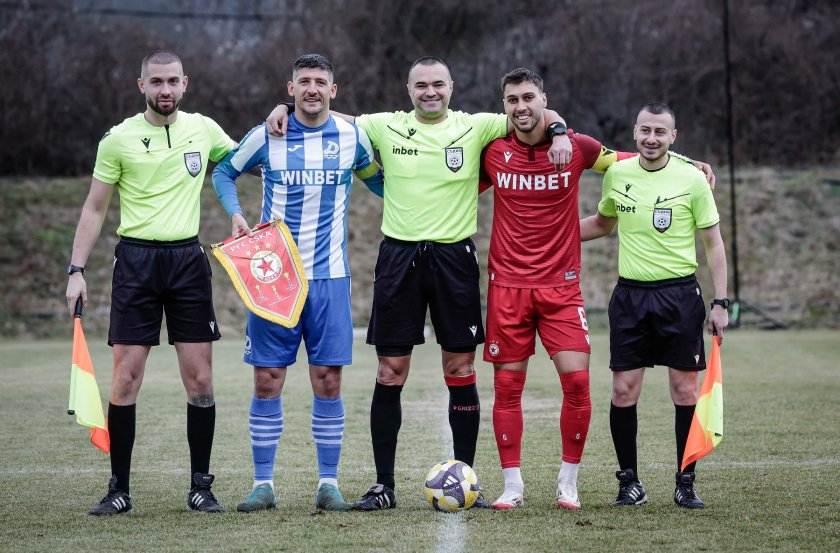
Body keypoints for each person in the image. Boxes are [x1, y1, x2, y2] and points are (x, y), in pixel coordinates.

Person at [266, 56, 573, 510]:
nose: (430, 92)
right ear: (409, 91)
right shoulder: (385, 125)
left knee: (461, 369)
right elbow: (326, 114)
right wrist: (284, 108)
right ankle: (384, 486)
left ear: (452, 87)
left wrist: (561, 132)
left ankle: (466, 480)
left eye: (438, 85)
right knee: (390, 371)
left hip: (454, 259)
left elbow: (535, 112)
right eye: (421, 86)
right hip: (399, 259)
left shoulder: (478, 125)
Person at [65, 50, 236, 515]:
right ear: (141, 85)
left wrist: (281, 112)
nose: (165, 89)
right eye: (156, 82)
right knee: (126, 378)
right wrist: (76, 271)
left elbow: (246, 157)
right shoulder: (118, 139)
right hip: (136, 263)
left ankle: (201, 488)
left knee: (201, 379)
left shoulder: (204, 129)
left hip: (188, 261)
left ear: (185, 83)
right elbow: (94, 208)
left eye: (172, 81)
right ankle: (118, 490)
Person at [212, 54, 384, 513]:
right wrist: (236, 213)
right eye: (303, 81)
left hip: (330, 278)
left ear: (333, 90)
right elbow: (223, 171)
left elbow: (380, 183)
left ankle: (328, 485)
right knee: (267, 380)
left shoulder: (352, 138)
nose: (312, 88)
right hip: (274, 278)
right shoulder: (267, 134)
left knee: (328, 381)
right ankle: (263, 485)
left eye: (320, 82)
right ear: (290, 89)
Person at [479, 68, 639, 511]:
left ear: (543, 100)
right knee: (506, 389)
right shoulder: (492, 151)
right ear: (504, 106)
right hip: (507, 287)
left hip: (561, 288)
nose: (521, 107)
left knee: (578, 384)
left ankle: (568, 482)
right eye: (512, 100)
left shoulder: (578, 148)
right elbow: (448, 187)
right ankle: (512, 486)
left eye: (528, 97)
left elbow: (633, 160)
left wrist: (686, 164)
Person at [580, 102, 729, 509]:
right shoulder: (618, 174)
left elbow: (713, 244)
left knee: (684, 390)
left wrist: (720, 301)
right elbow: (603, 223)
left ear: (673, 137)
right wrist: (555, 233)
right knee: (623, 390)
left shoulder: (692, 179)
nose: (651, 138)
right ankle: (629, 483)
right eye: (645, 130)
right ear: (634, 132)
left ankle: (685, 481)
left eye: (660, 132)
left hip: (679, 296)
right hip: (630, 297)